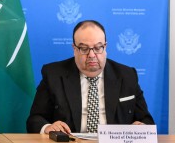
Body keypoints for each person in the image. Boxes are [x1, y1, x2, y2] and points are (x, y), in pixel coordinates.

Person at [26, 19, 154, 134]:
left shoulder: (127, 76)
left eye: (98, 47)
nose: (92, 55)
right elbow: (35, 120)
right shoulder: (53, 75)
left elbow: (146, 120)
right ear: (74, 49)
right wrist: (48, 127)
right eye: (84, 48)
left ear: (105, 47)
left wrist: (142, 126)